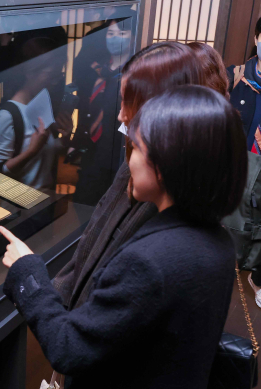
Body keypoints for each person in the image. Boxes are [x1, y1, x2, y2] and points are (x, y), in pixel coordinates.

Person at [0, 85, 247, 389]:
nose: (129, 157)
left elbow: (68, 348)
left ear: (169, 165)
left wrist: (28, 273)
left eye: (138, 147)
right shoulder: (215, 238)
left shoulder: (150, 261)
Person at [51, 41, 204, 312]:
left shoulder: (161, 192)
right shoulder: (135, 166)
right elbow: (94, 237)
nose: (121, 114)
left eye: (130, 103)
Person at [0, 36, 72, 193]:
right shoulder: (8, 116)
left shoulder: (42, 106)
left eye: (59, 75)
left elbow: (46, 158)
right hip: (20, 210)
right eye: (51, 74)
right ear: (29, 71)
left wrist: (65, 137)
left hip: (43, 204)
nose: (56, 82)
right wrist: (31, 152)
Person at [71, 18, 134, 205]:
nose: (115, 39)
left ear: (133, 37)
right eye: (111, 34)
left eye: (122, 33)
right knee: (83, 201)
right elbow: (84, 106)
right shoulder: (95, 69)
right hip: (91, 150)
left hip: (118, 152)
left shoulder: (135, 72)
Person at [225, 14, 261, 308]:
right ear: (256, 40)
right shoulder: (234, 77)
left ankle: (259, 275)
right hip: (240, 164)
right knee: (235, 217)